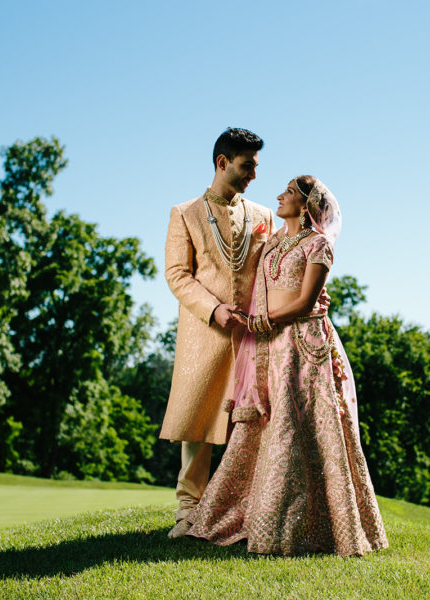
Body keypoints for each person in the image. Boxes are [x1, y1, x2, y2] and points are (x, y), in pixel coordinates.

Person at [185, 176, 388, 556]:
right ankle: (253, 517)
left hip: (306, 347)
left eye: (290, 192)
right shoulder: (274, 243)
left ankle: (310, 529)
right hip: (272, 347)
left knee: (304, 428)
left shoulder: (319, 246)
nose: (280, 195)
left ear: (308, 204)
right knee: (270, 425)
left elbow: (307, 302)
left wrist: (260, 322)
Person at [161, 128, 274, 538]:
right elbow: (177, 275)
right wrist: (213, 310)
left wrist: (312, 296)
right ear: (222, 163)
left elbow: (275, 268)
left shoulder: (263, 216)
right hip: (203, 333)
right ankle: (188, 511)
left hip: (254, 334)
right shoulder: (184, 213)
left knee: (253, 422)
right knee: (198, 421)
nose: (253, 176)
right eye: (247, 167)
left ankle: (246, 510)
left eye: (256, 168)